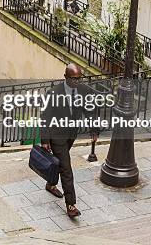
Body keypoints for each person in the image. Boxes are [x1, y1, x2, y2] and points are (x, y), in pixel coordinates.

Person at [40, 63, 98, 218]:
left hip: (71, 134)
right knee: (66, 168)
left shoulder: (83, 91)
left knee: (59, 163)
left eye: (79, 78)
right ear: (65, 77)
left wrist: (94, 128)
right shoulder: (53, 93)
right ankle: (71, 204)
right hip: (56, 135)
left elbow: (89, 110)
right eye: (74, 79)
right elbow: (45, 117)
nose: (77, 82)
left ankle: (50, 184)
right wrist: (45, 140)